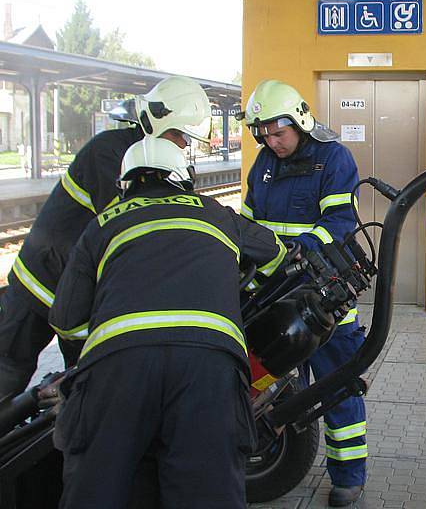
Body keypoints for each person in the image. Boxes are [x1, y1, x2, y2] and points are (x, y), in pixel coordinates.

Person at [49, 132, 287, 509]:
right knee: (209, 493)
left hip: (118, 369)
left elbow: (64, 321)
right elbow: (276, 255)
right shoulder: (214, 212)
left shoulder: (101, 225)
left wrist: (106, 336)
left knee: (98, 487)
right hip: (208, 366)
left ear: (124, 183)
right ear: (184, 177)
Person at [0, 75, 212, 399]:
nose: (183, 144)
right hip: (41, 285)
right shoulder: (113, 154)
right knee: (8, 373)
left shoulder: (141, 158)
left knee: (84, 386)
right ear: (157, 121)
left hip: (77, 294)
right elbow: (133, 228)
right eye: (179, 135)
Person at [241, 79, 367, 507]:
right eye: (264, 135)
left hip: (322, 299)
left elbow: (338, 225)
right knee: (267, 386)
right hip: (273, 301)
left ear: (299, 120)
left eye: (278, 133)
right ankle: (269, 458)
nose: (271, 142)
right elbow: (247, 224)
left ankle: (348, 474)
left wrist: (299, 252)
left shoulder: (332, 159)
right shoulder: (263, 165)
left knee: (337, 389)